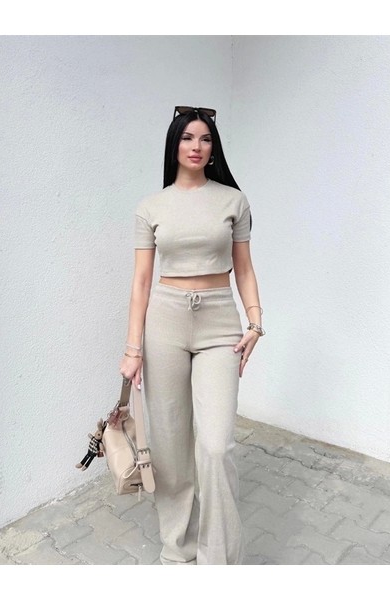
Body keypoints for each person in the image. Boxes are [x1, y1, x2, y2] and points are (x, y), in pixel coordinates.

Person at [120, 106, 264, 565]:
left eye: (204, 139)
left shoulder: (233, 201)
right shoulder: (151, 207)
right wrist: (133, 348)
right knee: (169, 442)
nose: (196, 146)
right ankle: (176, 546)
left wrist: (255, 322)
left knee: (216, 446)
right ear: (174, 145)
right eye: (187, 138)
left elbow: (244, 268)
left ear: (213, 148)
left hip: (219, 322)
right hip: (165, 322)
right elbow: (142, 281)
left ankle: (218, 559)